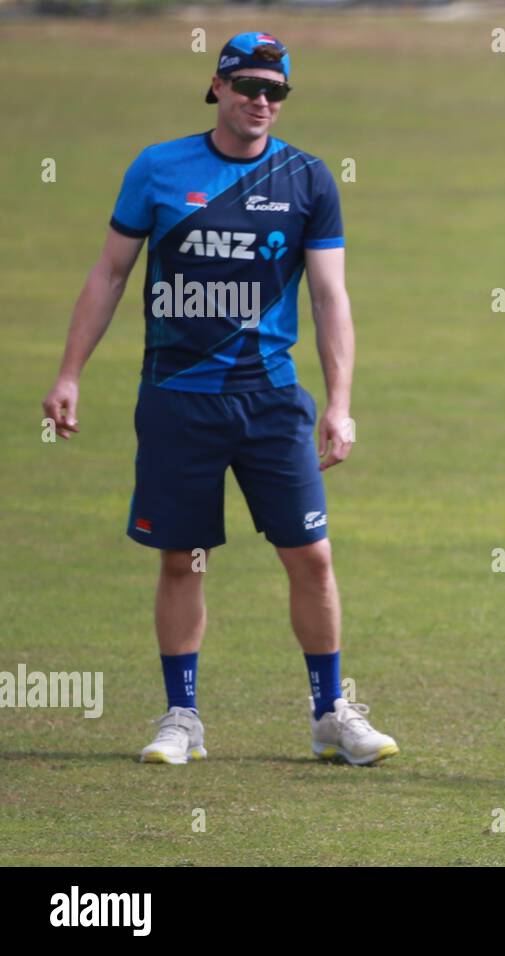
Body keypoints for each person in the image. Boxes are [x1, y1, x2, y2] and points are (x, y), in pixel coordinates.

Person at [41, 32, 398, 767]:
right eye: (248, 87)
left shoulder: (308, 179)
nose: (261, 101)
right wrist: (70, 372)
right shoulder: (159, 168)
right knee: (183, 560)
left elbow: (331, 298)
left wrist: (340, 403)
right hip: (177, 400)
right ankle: (182, 718)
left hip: (270, 402)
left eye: (275, 91)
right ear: (218, 85)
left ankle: (331, 712)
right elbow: (109, 275)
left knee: (313, 556)